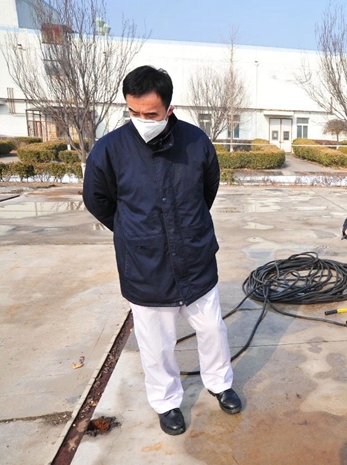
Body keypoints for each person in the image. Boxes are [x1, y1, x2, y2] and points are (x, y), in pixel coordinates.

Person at [82, 65, 241, 436]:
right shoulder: (110, 149)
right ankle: (167, 402)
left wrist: (188, 227)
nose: (142, 120)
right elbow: (97, 199)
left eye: (151, 114)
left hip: (195, 256)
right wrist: (131, 230)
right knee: (156, 343)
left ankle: (219, 383)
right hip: (144, 263)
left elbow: (208, 188)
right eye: (133, 112)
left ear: (169, 109)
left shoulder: (195, 142)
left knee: (212, 329)